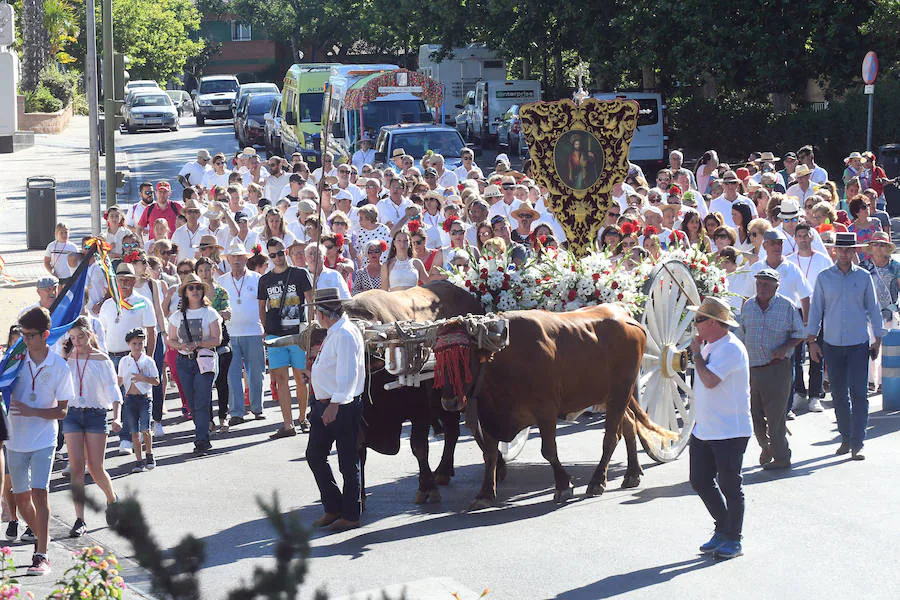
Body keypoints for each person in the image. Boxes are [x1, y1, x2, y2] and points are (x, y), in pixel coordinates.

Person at [807, 232, 884, 460]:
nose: (844, 253)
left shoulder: (863, 277)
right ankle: (845, 437)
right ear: (835, 251)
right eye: (840, 249)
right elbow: (816, 310)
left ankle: (858, 441)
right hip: (832, 344)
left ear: (854, 252)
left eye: (848, 249)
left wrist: (877, 338)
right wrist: (811, 341)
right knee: (839, 395)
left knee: (859, 394)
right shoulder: (824, 278)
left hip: (858, 344)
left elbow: (873, 307)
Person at [8, 307, 72, 575]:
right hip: (14, 439)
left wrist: (35, 412)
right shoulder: (14, 360)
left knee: (40, 494)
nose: (25, 339)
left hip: (44, 437)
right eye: (22, 334)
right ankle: (42, 536)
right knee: (22, 501)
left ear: (45, 335)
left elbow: (63, 410)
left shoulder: (59, 365)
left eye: (30, 335)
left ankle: (41, 554)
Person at [687, 297, 751, 560]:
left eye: (699, 319)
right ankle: (722, 527)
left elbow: (711, 380)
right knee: (700, 480)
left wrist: (696, 357)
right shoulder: (710, 344)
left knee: (730, 485)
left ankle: (734, 538)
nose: (696, 324)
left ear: (714, 323)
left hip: (729, 430)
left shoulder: (731, 348)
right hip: (705, 428)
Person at [305, 288, 366, 532]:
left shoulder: (344, 334)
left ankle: (351, 514)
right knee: (315, 455)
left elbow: (348, 375)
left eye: (317, 312)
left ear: (323, 313)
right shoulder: (335, 331)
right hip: (326, 405)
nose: (316, 316)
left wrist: (334, 405)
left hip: (339, 406)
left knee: (348, 462)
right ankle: (333, 506)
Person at [737, 269, 805, 471]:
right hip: (753, 369)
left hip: (778, 369)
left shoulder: (786, 306)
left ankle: (782, 457)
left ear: (776, 286)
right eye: (759, 283)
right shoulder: (748, 306)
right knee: (755, 418)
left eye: (766, 284)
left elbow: (800, 332)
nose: (762, 288)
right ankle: (767, 446)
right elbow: (741, 335)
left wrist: (785, 347)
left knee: (775, 418)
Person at [98, 262, 158, 455]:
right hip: (111, 357)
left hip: (132, 356)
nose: (125, 284)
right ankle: (128, 433)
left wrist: (147, 358)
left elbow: (151, 330)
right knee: (115, 398)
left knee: (130, 398)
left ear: (134, 281)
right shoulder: (107, 305)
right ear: (115, 282)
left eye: (128, 280)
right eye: (121, 280)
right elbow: (101, 333)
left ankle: (126, 438)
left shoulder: (141, 302)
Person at [259, 237, 315, 437]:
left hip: (297, 333)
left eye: (280, 253)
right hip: (276, 335)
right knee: (281, 380)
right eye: (272, 255)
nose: (277, 258)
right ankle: (288, 423)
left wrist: (311, 327)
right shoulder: (264, 279)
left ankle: (303, 417)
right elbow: (262, 307)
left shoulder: (300, 273)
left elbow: (310, 301)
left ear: (287, 252)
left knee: (301, 378)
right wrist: (265, 329)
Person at [166, 273, 223, 455]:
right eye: (191, 288)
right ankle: (203, 430)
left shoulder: (210, 313)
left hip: (204, 359)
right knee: (192, 402)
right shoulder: (176, 316)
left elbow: (217, 339)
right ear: (185, 292)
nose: (195, 291)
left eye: (198, 287)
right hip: (184, 361)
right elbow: (171, 340)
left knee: (202, 400)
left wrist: (198, 344)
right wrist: (181, 345)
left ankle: (201, 438)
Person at [217, 239, 266, 425]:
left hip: (254, 330)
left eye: (240, 257)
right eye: (233, 257)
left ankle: (257, 408)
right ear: (228, 259)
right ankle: (236, 412)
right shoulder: (221, 281)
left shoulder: (257, 278)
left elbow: (264, 306)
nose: (236, 260)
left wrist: (265, 328)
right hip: (230, 334)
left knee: (256, 372)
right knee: (232, 374)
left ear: (246, 259)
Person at [117, 327, 159, 473]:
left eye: (140, 343)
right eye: (135, 343)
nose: (137, 347)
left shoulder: (148, 361)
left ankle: (149, 454)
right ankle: (139, 460)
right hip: (129, 399)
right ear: (129, 344)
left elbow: (156, 381)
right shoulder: (124, 361)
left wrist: (143, 378)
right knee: (134, 432)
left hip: (144, 399)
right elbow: (120, 380)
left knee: (145, 429)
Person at [863, 231, 900, 394]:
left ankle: (886, 381)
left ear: (887, 247)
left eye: (882, 244)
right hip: (868, 313)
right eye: (876, 244)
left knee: (889, 349)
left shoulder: (895, 266)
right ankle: (872, 381)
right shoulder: (864, 266)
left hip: (890, 313)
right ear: (871, 247)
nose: (879, 247)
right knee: (871, 346)